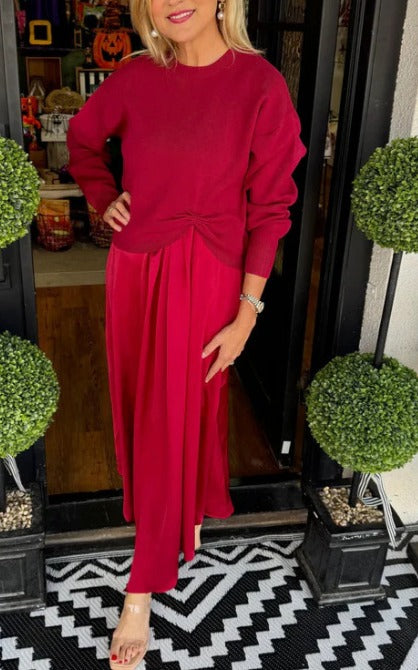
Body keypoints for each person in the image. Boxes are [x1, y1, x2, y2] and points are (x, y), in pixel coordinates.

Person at [66, 0, 306, 667]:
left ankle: (141, 587)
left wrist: (248, 311)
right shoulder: (136, 77)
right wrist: (101, 194)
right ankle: (177, 513)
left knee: (181, 408)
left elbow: (272, 207)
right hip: (136, 270)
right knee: (149, 409)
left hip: (210, 279)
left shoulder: (260, 85)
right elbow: (82, 139)